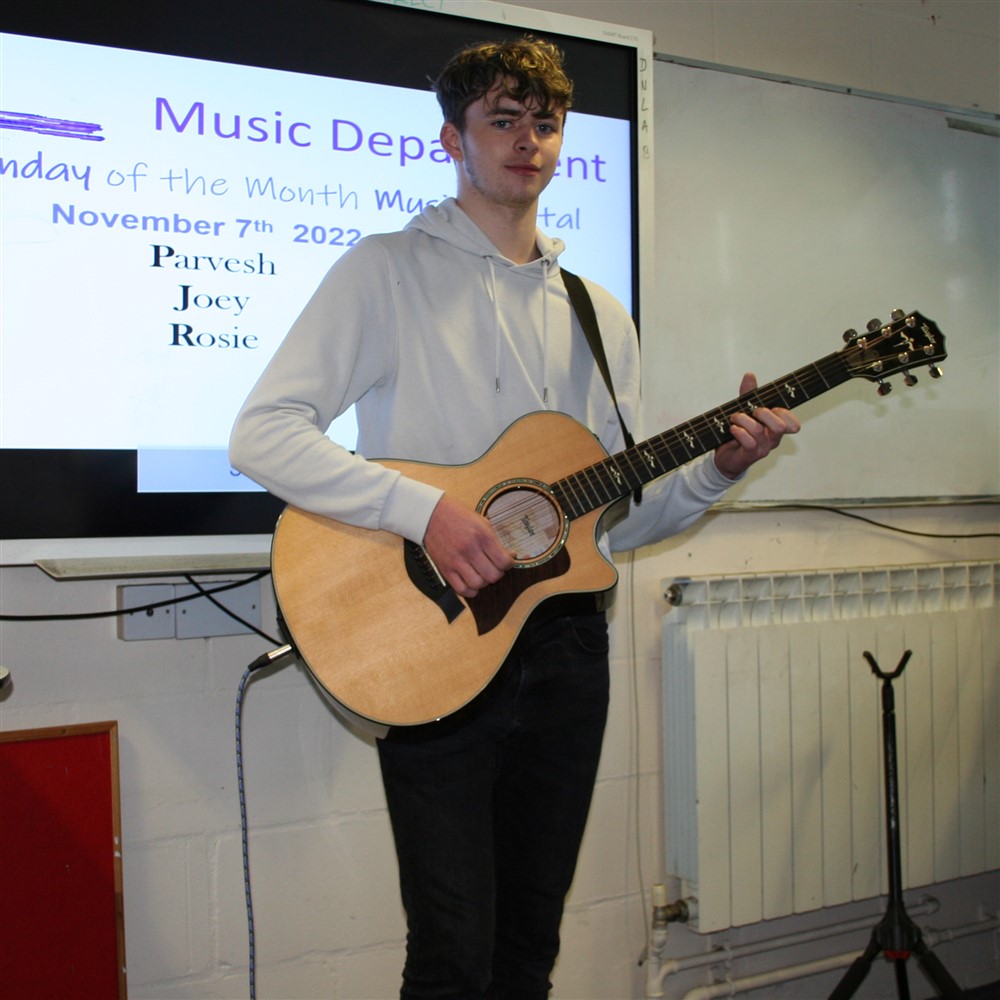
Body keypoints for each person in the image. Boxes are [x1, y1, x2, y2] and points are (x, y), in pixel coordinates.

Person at [229, 36, 799, 1000]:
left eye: (545, 123)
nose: (527, 142)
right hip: (436, 640)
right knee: (454, 952)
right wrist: (423, 513)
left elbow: (608, 524)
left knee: (530, 945)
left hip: (567, 651)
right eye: (503, 120)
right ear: (452, 138)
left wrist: (714, 474)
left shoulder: (596, 312)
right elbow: (261, 434)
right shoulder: (385, 272)